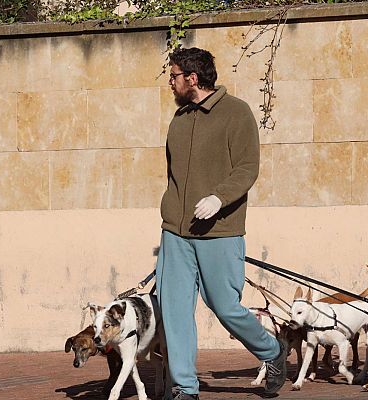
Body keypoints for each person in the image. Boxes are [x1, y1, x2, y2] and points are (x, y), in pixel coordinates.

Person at [155, 47, 287, 400]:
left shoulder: (237, 113)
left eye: (174, 76)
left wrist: (219, 198)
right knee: (175, 310)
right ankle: (185, 387)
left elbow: (247, 167)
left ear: (192, 79)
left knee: (225, 306)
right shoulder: (180, 119)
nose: (171, 82)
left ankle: (272, 351)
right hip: (175, 233)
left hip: (220, 230)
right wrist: (170, 211)